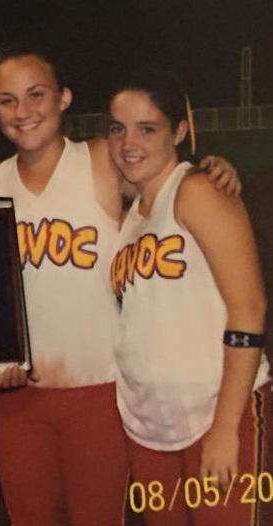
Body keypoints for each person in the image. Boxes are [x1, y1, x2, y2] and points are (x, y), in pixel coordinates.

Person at [0, 42, 242, 526]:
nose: (23, 112)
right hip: (18, 400)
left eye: (36, 94)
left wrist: (213, 167)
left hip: (99, 393)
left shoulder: (103, 159)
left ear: (64, 98)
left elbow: (164, 173)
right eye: (7, 99)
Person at [107, 71, 271, 526]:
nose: (128, 142)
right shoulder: (130, 214)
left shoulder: (196, 190)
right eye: (117, 128)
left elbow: (250, 307)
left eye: (147, 128)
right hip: (149, 429)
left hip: (215, 416)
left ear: (179, 131)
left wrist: (224, 429)